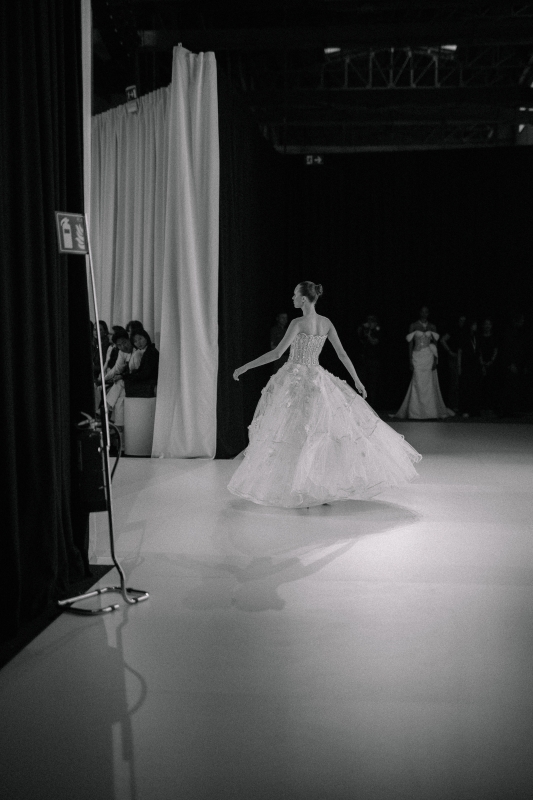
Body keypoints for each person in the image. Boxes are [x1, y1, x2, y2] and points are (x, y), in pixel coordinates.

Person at [228, 281, 421, 508]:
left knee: (296, 433)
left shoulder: (298, 323)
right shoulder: (325, 323)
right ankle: (313, 489)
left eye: (294, 294)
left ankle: (303, 489)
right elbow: (342, 354)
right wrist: (357, 380)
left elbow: (277, 353)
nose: (292, 298)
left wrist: (245, 367)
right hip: (317, 380)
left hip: (296, 381)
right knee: (315, 433)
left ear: (303, 299)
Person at [393, 306, 453, 420]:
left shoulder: (432, 326)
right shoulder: (414, 325)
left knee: (429, 383)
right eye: (422, 312)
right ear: (419, 312)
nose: (424, 314)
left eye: (426, 312)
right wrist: (410, 360)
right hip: (417, 356)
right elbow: (410, 344)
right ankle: (415, 412)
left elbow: (435, 344)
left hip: (428, 356)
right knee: (417, 381)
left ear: (428, 313)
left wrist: (435, 360)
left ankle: (429, 412)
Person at [441, 313, 467, 412]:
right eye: (461, 321)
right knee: (454, 382)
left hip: (464, 358)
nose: (462, 323)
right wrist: (450, 351)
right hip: (455, 358)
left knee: (463, 382)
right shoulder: (453, 329)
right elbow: (442, 340)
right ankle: (453, 405)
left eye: (464, 321)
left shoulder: (466, 330)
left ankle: (461, 405)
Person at [123, 329, 159, 397]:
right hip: (148, 382)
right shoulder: (146, 351)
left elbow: (145, 373)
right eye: (135, 341)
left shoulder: (151, 352)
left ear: (146, 337)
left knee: (122, 384)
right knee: (122, 385)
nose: (138, 343)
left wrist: (128, 376)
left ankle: (108, 402)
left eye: (140, 339)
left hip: (150, 384)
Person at [357, 313, 381, 410]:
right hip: (364, 360)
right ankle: (361, 405)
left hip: (374, 360)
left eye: (372, 321)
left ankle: (372, 406)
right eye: (369, 321)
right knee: (362, 381)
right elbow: (359, 338)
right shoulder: (364, 330)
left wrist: (369, 333)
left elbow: (374, 342)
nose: (370, 323)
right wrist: (363, 327)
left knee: (372, 384)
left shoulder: (377, 330)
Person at [458, 320, 481, 417]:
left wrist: (481, 364)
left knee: (474, 387)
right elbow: (460, 351)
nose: (476, 326)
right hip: (466, 365)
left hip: (475, 365)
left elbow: (478, 351)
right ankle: (465, 409)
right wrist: (459, 366)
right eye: (474, 324)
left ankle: (474, 409)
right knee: (466, 387)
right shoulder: (464, 336)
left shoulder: (476, 336)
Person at [478, 318, 498, 414]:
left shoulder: (494, 337)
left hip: (491, 363)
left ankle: (490, 406)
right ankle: (482, 406)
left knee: (491, 385)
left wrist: (491, 361)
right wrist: (482, 362)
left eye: (489, 324)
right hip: (481, 363)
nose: (487, 326)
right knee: (482, 385)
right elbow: (479, 350)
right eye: (485, 324)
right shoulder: (479, 337)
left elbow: (495, 350)